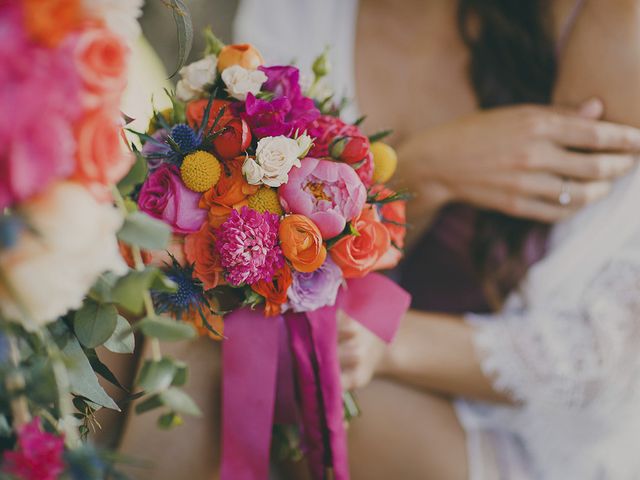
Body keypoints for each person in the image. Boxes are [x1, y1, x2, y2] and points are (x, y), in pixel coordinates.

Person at [234, 0, 640, 478]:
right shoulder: (293, 17)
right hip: (358, 364)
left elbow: (603, 358)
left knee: (295, 384)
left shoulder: (603, 28)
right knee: (199, 337)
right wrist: (425, 171)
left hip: (529, 437)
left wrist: (390, 343)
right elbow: (259, 262)